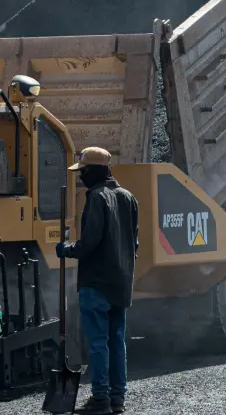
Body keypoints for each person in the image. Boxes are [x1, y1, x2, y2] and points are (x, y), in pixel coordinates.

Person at [56, 147, 140, 415]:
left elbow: (89, 242)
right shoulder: (129, 198)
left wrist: (67, 249)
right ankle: (118, 400)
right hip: (121, 282)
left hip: (96, 283)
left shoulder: (96, 198)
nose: (81, 177)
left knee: (98, 341)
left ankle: (100, 399)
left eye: (83, 172)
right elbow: (133, 243)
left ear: (94, 171)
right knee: (117, 341)